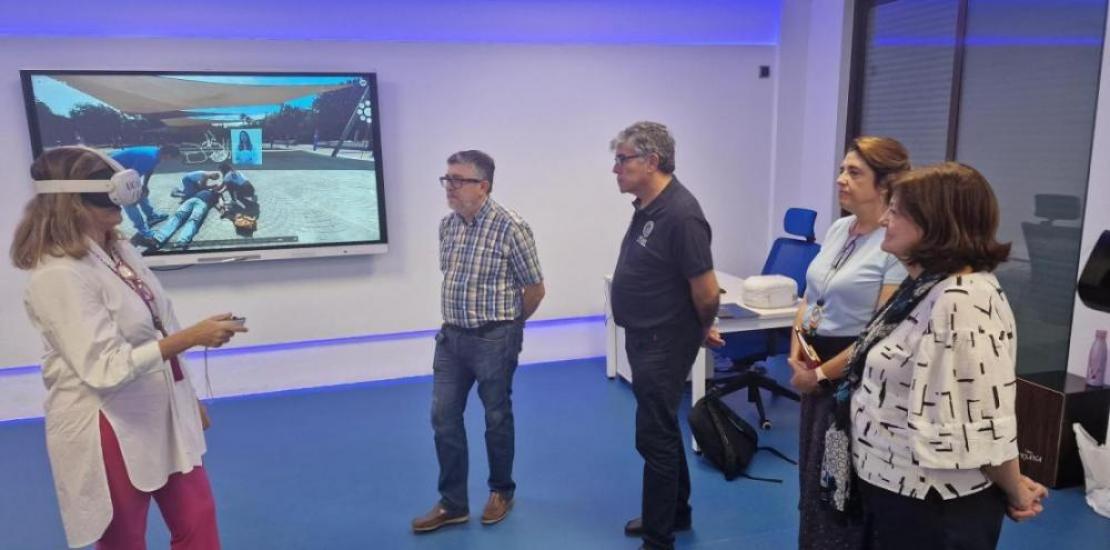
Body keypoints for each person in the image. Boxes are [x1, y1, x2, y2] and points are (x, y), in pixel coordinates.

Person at [9, 146, 248, 549]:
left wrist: (186, 397)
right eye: (109, 195)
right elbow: (104, 368)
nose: (124, 202)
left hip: (163, 408)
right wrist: (192, 337)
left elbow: (157, 325)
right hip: (108, 423)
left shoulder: (121, 250)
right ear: (73, 203)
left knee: (198, 519)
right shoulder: (58, 275)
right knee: (123, 538)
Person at [822, 162, 1048, 549]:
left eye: (896, 212)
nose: (883, 221)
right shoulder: (926, 286)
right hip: (896, 490)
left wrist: (1015, 489)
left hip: (933, 504)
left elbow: (981, 425)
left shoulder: (963, 302)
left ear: (935, 225)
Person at [785, 136, 910, 549]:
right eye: (841, 170)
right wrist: (796, 353)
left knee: (837, 486)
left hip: (848, 384)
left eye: (854, 173)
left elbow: (879, 333)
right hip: (813, 366)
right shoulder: (840, 228)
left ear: (886, 183)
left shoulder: (893, 244)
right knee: (811, 478)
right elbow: (809, 296)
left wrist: (820, 374)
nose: (841, 179)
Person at [411, 150, 546, 533]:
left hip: (494, 339)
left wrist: (511, 329)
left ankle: (501, 490)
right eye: (446, 179)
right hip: (451, 339)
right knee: (443, 418)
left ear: (483, 186)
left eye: (459, 180)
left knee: (496, 417)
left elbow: (535, 289)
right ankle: (453, 503)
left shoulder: (511, 227)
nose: (449, 187)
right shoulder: (447, 226)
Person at [608, 121, 724, 550]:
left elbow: (707, 292)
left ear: (651, 161)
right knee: (662, 428)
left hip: (663, 341)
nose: (615, 169)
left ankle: (660, 539)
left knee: (653, 436)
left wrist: (701, 326)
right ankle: (678, 512)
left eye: (622, 160)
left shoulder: (682, 214)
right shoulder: (648, 205)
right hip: (647, 336)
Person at [140, 184, 226, 250]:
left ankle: (182, 242)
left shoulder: (218, 195)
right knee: (177, 216)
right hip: (192, 200)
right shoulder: (205, 189)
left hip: (202, 204)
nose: (216, 186)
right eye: (215, 185)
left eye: (218, 186)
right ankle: (158, 238)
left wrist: (222, 205)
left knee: (193, 220)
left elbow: (221, 203)